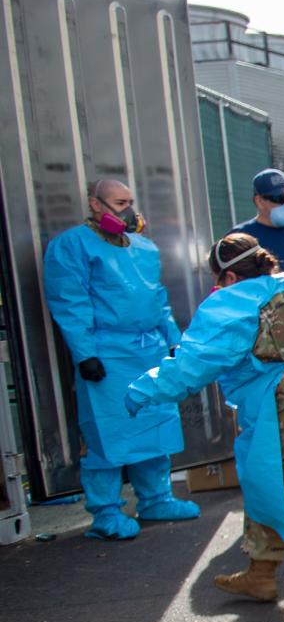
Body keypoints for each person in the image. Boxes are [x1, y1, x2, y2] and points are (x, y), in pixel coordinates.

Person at [125, 234, 284, 606]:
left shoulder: (231, 303)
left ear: (228, 276)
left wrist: (143, 391)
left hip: (283, 414)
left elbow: (191, 366)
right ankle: (261, 574)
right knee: (267, 484)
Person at [43, 179, 199, 541]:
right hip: (107, 352)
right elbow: (70, 301)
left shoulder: (144, 248)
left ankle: (157, 498)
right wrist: (85, 353)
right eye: (118, 202)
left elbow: (158, 301)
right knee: (108, 429)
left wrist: (175, 342)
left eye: (130, 201)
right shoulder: (72, 246)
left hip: (149, 349)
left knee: (154, 422)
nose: (127, 209)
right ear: (95, 204)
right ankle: (106, 512)